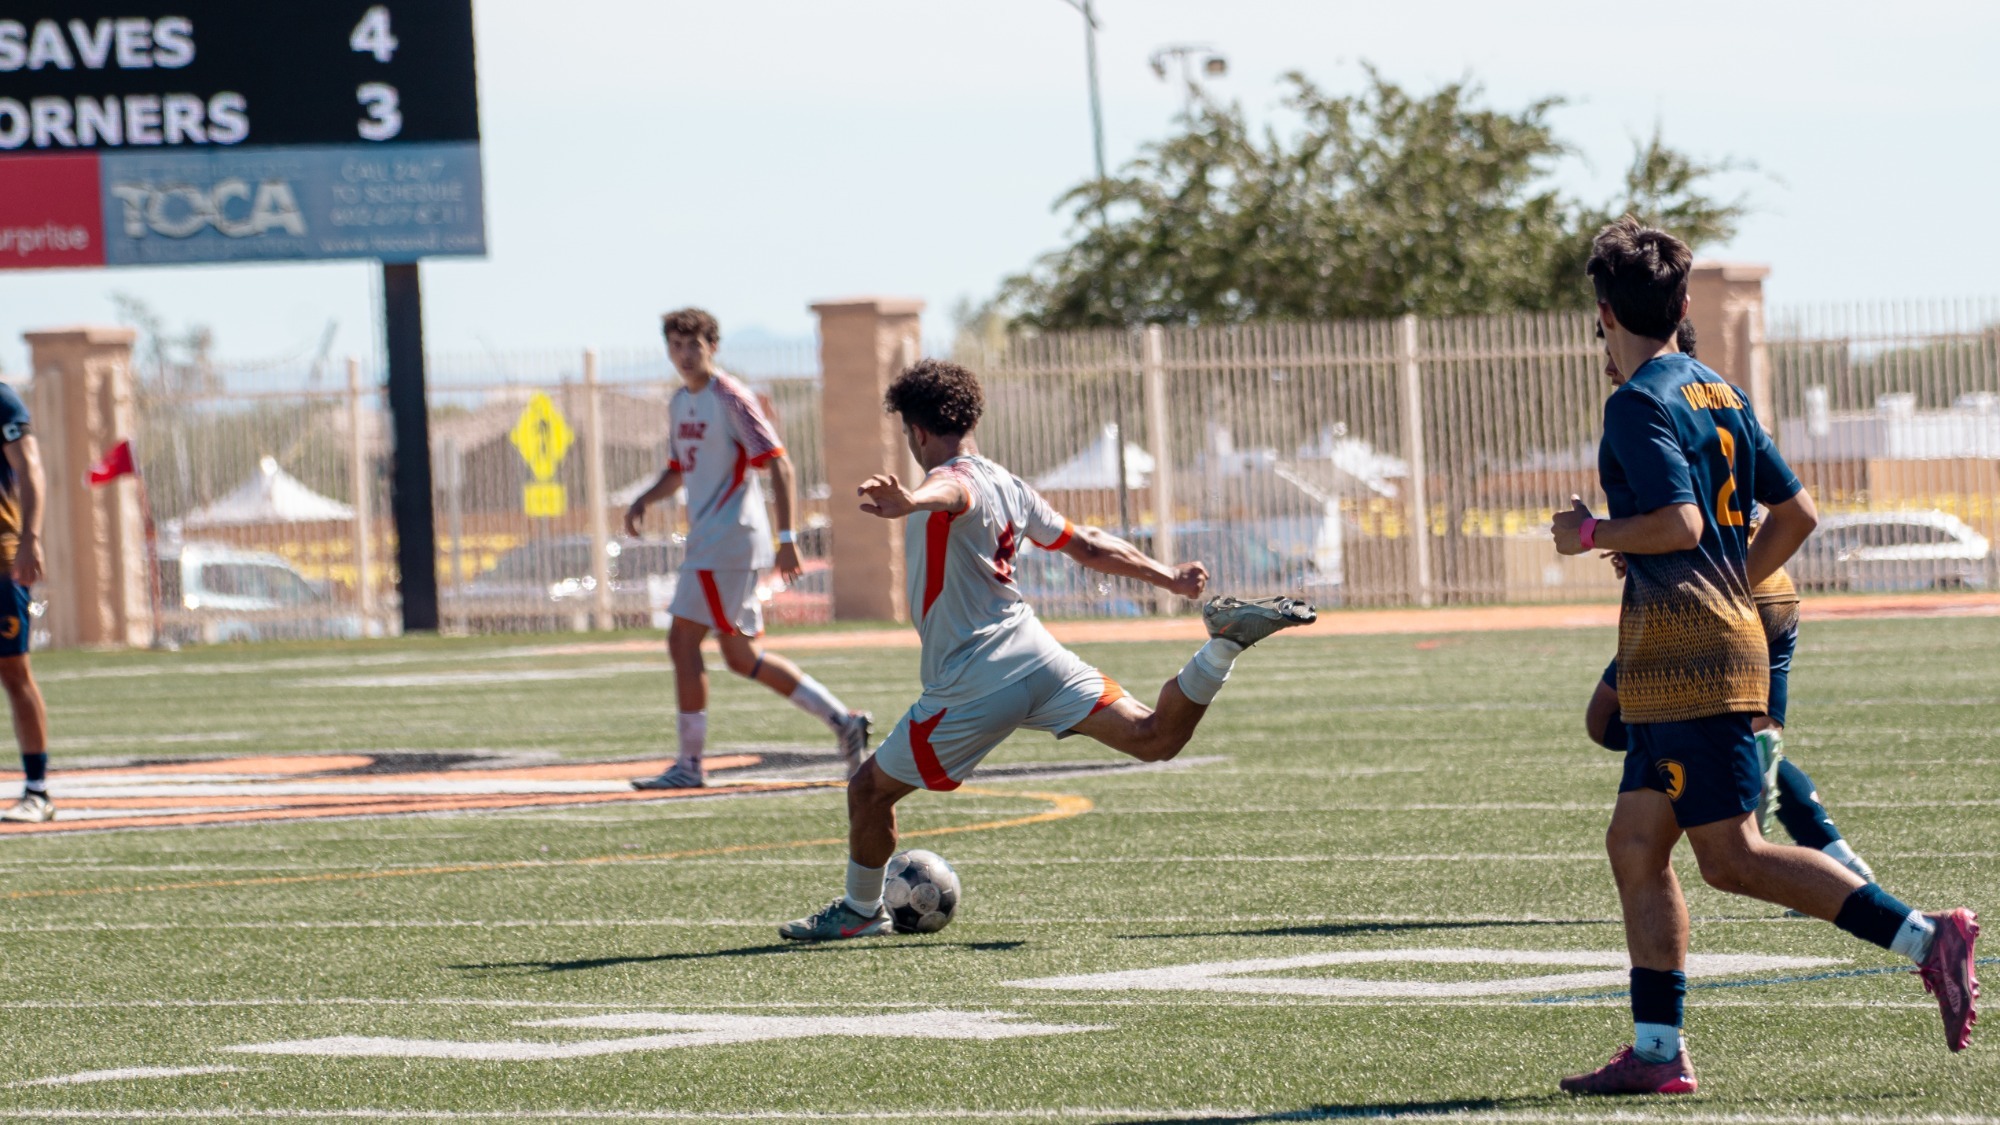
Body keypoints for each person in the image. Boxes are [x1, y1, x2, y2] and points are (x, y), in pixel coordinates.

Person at [1551, 218, 1977, 1095]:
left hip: (1686, 658)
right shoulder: (1718, 388)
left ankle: (1927, 938)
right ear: (1677, 304)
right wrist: (1730, 588)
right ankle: (1658, 1055)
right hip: (1694, 645)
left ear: (1604, 312)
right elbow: (1799, 515)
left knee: (1732, 856)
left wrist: (1589, 530)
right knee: (1635, 842)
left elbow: (1679, 524)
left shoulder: (1636, 402)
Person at [777, 359, 1314, 941]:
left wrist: (910, 500)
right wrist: (1169, 578)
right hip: (1039, 658)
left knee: (869, 790)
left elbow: (950, 491)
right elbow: (1084, 543)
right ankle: (1224, 647)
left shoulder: (956, 480)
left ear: (918, 432)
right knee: (1155, 736)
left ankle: (860, 911)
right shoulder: (1008, 483)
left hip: (974, 678)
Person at [1584, 322, 1874, 882]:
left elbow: (1685, 524)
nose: (1607, 362)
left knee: (1615, 721)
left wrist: (1607, 534)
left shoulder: (1648, 403)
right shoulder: (1714, 396)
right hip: (1763, 590)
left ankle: (1726, 799)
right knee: (1748, 740)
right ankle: (1824, 848)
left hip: (1712, 607)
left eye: (1608, 346)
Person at [624, 309, 869, 788]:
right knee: (740, 657)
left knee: (682, 642)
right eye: (675, 345)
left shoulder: (730, 397)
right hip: (712, 543)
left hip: (728, 540)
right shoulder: (679, 402)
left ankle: (689, 767)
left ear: (713, 346)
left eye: (694, 344)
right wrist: (643, 498)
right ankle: (844, 721)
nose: (685, 354)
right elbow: (678, 469)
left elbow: (780, 465)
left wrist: (786, 540)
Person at [0, 382, 50, 823]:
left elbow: (31, 468)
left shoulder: (1, 399)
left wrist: (30, 537)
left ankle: (38, 791)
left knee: (14, 672)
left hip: (0, 559)